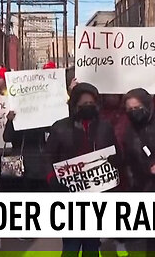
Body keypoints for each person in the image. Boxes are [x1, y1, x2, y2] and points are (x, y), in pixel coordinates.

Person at [45, 82, 121, 257]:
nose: (88, 107)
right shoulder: (60, 127)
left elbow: (116, 156)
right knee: (71, 244)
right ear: (75, 105)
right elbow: (48, 157)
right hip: (69, 195)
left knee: (92, 244)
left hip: (96, 194)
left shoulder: (105, 127)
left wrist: (111, 169)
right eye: (83, 104)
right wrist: (52, 179)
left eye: (91, 104)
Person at [121, 88, 155, 256]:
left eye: (137, 107)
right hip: (143, 188)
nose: (134, 112)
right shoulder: (129, 131)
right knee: (152, 237)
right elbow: (129, 159)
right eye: (130, 109)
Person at [3, 110, 49, 192]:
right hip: (30, 163)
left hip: (31, 163)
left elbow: (7, 137)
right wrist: (10, 121)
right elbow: (7, 137)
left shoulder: (40, 120)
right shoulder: (38, 120)